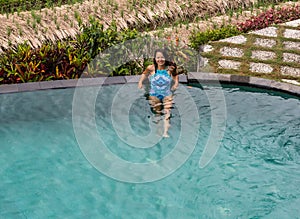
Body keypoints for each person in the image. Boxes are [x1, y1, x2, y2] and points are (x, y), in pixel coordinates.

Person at [138, 49, 179, 137]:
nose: (160, 60)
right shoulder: (151, 68)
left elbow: (175, 76)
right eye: (158, 57)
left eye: (162, 57)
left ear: (165, 58)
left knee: (167, 111)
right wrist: (140, 82)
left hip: (167, 93)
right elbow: (144, 74)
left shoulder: (170, 69)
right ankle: (158, 129)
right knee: (158, 111)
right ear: (155, 58)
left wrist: (176, 83)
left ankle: (165, 132)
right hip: (154, 94)